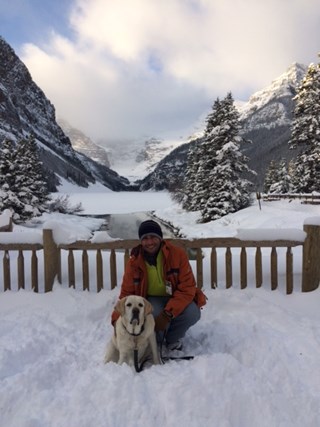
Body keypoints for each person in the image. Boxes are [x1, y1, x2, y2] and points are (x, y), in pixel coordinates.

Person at [111, 219, 206, 351]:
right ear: (141, 241)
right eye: (145, 238)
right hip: (150, 298)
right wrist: (116, 321)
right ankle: (157, 340)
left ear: (160, 238)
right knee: (152, 313)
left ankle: (172, 338)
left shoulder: (177, 255)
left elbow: (187, 287)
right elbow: (126, 294)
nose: (150, 242)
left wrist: (168, 314)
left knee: (192, 313)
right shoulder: (134, 263)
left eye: (153, 237)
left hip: (176, 295)